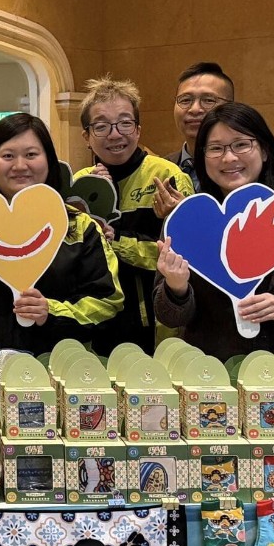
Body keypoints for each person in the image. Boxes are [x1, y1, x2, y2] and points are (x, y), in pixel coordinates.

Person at [0, 113, 122, 358]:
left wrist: (50, 312)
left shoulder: (79, 226)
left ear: (49, 160)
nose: (20, 166)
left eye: (31, 154)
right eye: (8, 156)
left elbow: (108, 301)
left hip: (58, 364)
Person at [154, 103, 274, 360]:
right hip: (213, 368)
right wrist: (176, 287)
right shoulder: (187, 221)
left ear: (265, 150)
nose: (229, 158)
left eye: (241, 145)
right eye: (215, 148)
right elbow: (170, 317)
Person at [75, 75, 193, 352]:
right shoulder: (78, 185)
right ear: (86, 137)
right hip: (93, 328)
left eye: (125, 123)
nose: (115, 134)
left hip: (155, 328)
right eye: (101, 126)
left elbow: (184, 257)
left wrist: (115, 240)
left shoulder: (166, 176)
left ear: (138, 130)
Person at [168, 62, 234, 197]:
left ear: (231, 108)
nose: (195, 109)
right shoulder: (162, 168)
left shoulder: (241, 166)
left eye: (208, 100)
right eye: (185, 100)